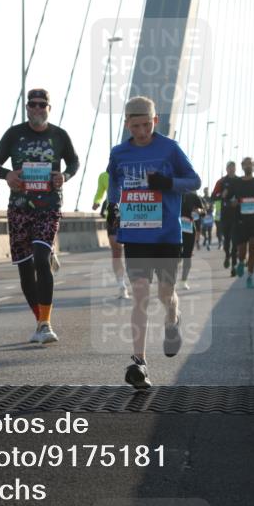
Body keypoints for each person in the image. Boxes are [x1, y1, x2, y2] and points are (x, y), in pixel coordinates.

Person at [108, 96, 200, 389]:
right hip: (135, 235)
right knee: (139, 295)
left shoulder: (169, 149)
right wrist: (113, 208)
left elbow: (195, 181)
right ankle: (139, 363)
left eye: (147, 125)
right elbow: (113, 184)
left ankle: (173, 318)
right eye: (135, 126)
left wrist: (167, 183)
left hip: (166, 235)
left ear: (155, 121)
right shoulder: (119, 153)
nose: (142, 131)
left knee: (165, 293)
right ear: (127, 124)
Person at [0, 88, 79, 345]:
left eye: (42, 105)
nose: (37, 109)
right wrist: (7, 175)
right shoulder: (14, 134)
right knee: (26, 268)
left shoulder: (59, 136)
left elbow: (74, 162)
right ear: (27, 108)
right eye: (32, 105)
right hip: (19, 207)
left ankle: (45, 324)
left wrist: (65, 176)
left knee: (39, 258)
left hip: (49, 205)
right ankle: (40, 320)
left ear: (49, 108)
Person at [225, 157, 254, 289]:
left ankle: (250, 277)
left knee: (252, 248)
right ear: (242, 166)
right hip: (240, 221)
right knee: (242, 251)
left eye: (250, 164)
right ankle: (240, 261)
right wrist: (231, 202)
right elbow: (226, 200)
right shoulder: (236, 183)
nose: (248, 166)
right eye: (245, 164)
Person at [92, 169, 130, 299]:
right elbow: (100, 192)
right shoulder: (103, 176)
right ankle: (121, 285)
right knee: (116, 249)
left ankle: (138, 280)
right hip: (113, 216)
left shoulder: (130, 172)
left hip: (131, 215)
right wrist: (97, 201)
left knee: (133, 251)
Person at [212, 161, 239, 275]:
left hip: (237, 215)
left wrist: (238, 201)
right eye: (230, 168)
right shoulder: (221, 181)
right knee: (227, 240)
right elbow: (213, 197)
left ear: (235, 169)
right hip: (225, 215)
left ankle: (234, 266)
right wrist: (221, 195)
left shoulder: (240, 181)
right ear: (226, 169)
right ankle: (227, 255)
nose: (232, 169)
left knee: (235, 240)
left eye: (233, 167)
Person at [179, 190, 205, 289]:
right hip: (174, 228)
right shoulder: (173, 194)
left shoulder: (193, 196)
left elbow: (203, 212)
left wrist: (199, 211)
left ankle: (183, 281)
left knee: (187, 255)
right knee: (175, 256)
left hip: (188, 228)